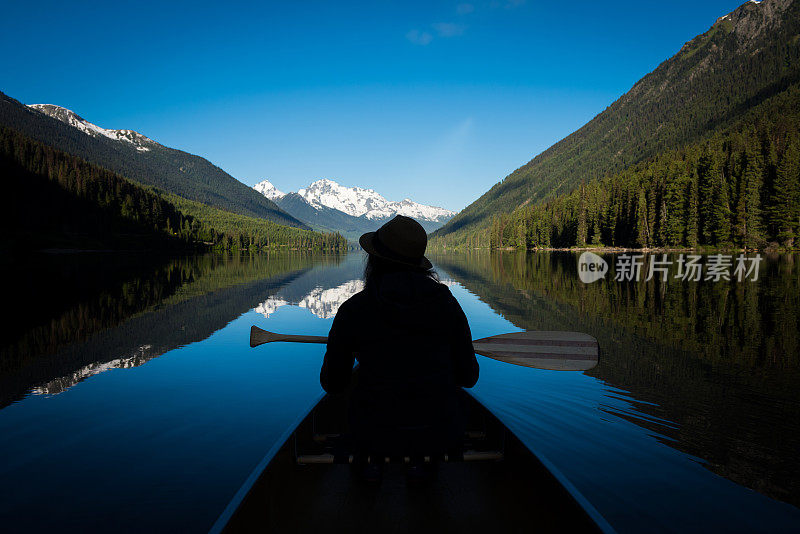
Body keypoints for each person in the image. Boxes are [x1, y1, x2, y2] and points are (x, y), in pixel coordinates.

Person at [320, 215, 479, 482]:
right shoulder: (447, 305)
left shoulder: (354, 309)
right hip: (438, 432)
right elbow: (469, 378)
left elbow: (333, 384)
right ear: (419, 264)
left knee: (362, 407)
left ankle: (371, 472)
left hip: (373, 433)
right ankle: (422, 470)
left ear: (374, 261)